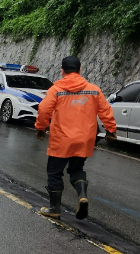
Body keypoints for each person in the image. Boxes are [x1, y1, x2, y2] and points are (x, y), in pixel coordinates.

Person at [34, 55, 117, 219]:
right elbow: (105, 110)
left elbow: (44, 109)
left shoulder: (56, 89)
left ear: (62, 71)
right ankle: (82, 195)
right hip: (85, 139)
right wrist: (111, 130)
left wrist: (41, 127)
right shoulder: (94, 89)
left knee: (54, 173)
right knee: (76, 169)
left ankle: (55, 208)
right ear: (80, 69)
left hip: (62, 140)